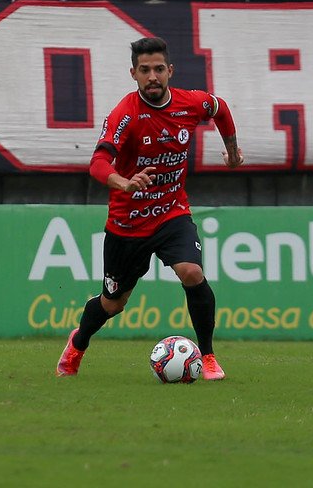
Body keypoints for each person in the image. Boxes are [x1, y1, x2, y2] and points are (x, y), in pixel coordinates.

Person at [56, 36, 244, 380]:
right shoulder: (125, 114)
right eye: (145, 70)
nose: (153, 76)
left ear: (170, 70)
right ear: (134, 74)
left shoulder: (190, 104)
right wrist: (124, 182)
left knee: (192, 272)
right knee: (113, 304)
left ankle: (210, 356)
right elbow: (98, 163)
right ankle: (78, 343)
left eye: (159, 69)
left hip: (172, 213)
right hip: (127, 225)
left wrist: (232, 151)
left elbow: (219, 108)